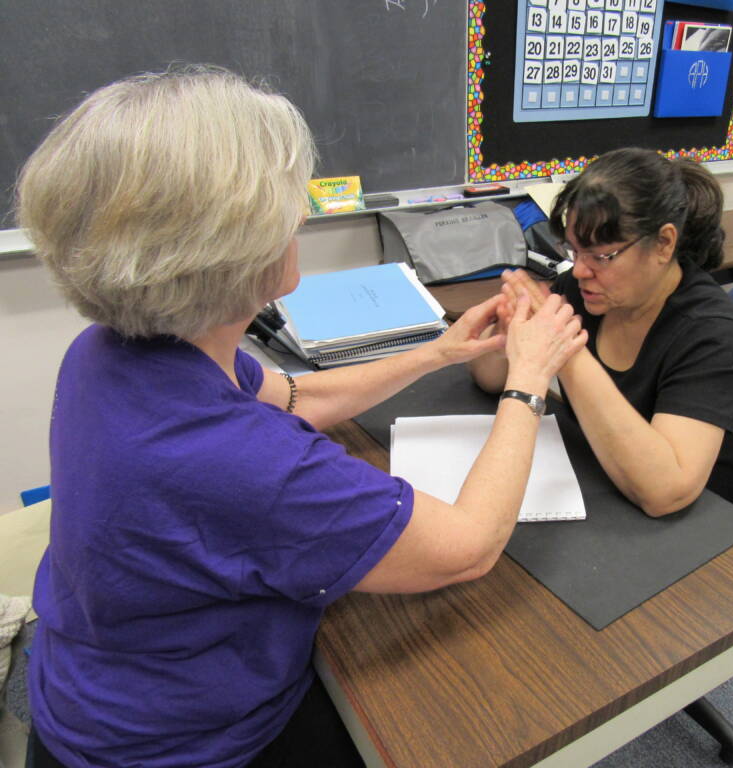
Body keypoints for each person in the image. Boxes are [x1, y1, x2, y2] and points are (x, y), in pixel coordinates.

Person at [16, 66, 586, 768]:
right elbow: (467, 546)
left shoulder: (106, 354)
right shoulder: (248, 466)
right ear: (241, 255)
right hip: (179, 747)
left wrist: (437, 353)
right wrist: (528, 380)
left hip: (90, 692)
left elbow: (295, 397)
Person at [470, 147, 733, 524]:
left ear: (663, 244)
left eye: (601, 256)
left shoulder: (712, 333)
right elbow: (489, 379)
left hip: (718, 524)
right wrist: (510, 328)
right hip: (616, 484)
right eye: (573, 250)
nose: (579, 270)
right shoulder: (587, 290)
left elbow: (666, 492)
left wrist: (565, 348)